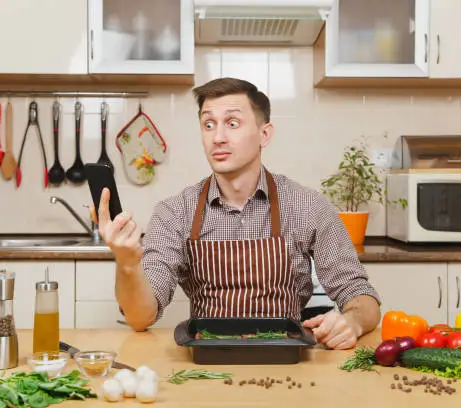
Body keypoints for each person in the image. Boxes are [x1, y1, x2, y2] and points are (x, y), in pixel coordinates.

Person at [93, 77, 381, 350]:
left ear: (264, 134)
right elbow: (141, 317)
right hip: (206, 367)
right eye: (208, 124)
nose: (218, 137)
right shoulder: (175, 212)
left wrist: (352, 322)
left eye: (232, 123)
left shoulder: (307, 206)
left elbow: (362, 296)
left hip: (288, 363)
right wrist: (128, 263)